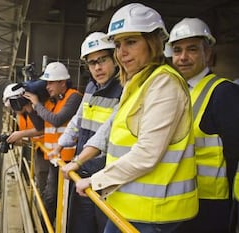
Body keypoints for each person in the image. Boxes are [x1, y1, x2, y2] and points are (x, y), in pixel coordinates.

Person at [75, 3, 198, 233]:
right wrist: (80, 161)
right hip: (130, 205)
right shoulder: (139, 82)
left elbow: (147, 153)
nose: (122, 52)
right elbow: (112, 128)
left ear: (153, 42)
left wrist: (96, 180)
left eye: (131, 42)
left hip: (155, 212)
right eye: (119, 44)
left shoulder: (164, 83)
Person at [168, 18, 239, 233]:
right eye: (177, 50)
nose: (183, 57)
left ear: (207, 54)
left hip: (211, 203)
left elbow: (235, 153)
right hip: (180, 197)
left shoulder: (224, 92)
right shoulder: (178, 91)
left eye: (192, 50)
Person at [48, 32, 122, 233]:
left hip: (106, 179)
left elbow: (105, 134)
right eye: (92, 63)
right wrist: (60, 145)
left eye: (103, 60)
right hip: (82, 173)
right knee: (79, 227)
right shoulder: (91, 87)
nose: (97, 67)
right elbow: (78, 120)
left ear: (115, 57)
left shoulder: (123, 89)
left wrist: (78, 160)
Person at [23, 61, 82, 225]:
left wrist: (36, 103)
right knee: (51, 198)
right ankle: (46, 226)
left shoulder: (74, 97)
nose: (47, 86)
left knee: (56, 199)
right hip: (55, 159)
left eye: (50, 82)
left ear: (62, 82)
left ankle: (44, 227)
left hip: (68, 161)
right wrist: (30, 109)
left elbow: (56, 120)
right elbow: (41, 126)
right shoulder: (52, 102)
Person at [2, 83, 49, 194]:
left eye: (14, 105)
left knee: (46, 184)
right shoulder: (22, 115)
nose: (14, 110)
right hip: (40, 150)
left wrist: (21, 134)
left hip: (50, 150)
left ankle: (45, 208)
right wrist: (19, 140)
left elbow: (44, 128)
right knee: (41, 181)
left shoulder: (39, 108)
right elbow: (32, 134)